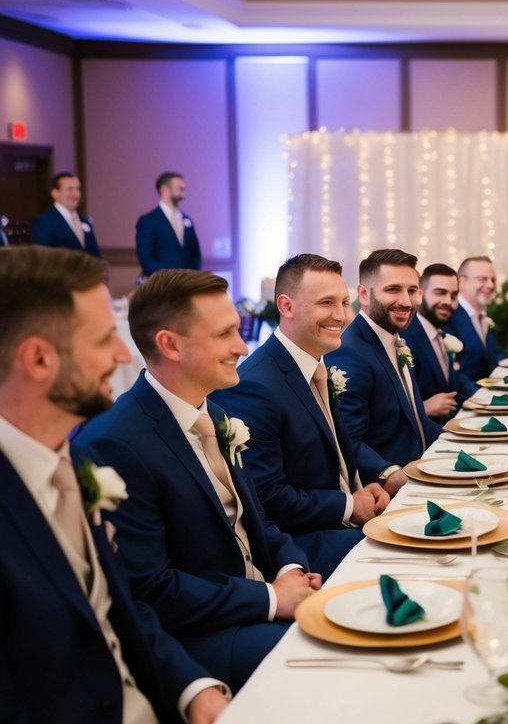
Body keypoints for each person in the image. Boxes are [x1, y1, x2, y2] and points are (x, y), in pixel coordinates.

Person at [0, 246, 227, 722]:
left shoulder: (74, 458)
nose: (124, 354)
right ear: (39, 359)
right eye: (106, 339)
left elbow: (120, 610)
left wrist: (194, 689)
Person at [74, 269, 320, 691]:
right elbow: (153, 589)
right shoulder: (117, 443)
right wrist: (272, 599)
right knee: (318, 660)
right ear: (170, 344)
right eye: (225, 334)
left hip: (258, 599)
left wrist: (291, 568)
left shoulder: (216, 415)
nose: (242, 346)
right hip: (200, 637)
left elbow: (257, 521)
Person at [212, 254, 392, 578]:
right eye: (326, 303)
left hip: (341, 522)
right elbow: (268, 498)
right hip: (300, 545)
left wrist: (362, 490)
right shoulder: (255, 386)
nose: (341, 315)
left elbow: (335, 453)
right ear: (286, 306)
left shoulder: (315, 363)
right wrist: (350, 506)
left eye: (344, 302)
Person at [328, 249, 443, 465]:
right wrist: (392, 475)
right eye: (393, 290)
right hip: (391, 489)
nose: (406, 302)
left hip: (423, 470)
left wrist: (458, 440)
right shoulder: (350, 351)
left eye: (412, 291)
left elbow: (415, 421)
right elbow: (349, 441)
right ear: (363, 294)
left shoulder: (394, 339)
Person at [401, 262, 481, 423]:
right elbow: (398, 402)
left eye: (453, 295)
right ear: (419, 294)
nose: (448, 301)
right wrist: (424, 407)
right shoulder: (405, 338)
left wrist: (484, 397)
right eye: (440, 293)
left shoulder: (440, 332)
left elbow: (454, 379)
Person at [447, 255, 505, 382]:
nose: (490, 285)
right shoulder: (448, 316)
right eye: (482, 279)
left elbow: (492, 356)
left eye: (493, 280)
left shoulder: (482, 315)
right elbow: (452, 370)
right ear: (461, 282)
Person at [135, 172, 203, 276]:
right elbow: (146, 258)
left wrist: (193, 276)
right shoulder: (148, 220)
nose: (183, 188)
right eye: (179, 188)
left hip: (187, 283)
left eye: (183, 187)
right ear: (164, 189)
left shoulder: (187, 220)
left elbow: (195, 254)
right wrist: (165, 279)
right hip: (163, 285)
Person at [30, 172, 102, 258]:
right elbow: (41, 257)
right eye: (70, 189)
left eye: (78, 189)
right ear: (55, 193)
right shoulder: (44, 221)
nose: (75, 194)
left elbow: (95, 255)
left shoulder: (84, 221)